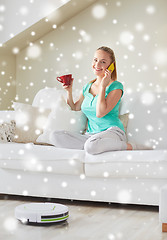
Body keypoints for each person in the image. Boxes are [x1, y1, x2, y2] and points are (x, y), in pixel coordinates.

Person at [50, 46, 133, 154]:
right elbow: (75, 108)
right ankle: (96, 146)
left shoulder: (116, 86)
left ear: (111, 65)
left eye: (103, 62)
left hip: (112, 132)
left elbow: (100, 113)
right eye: (95, 60)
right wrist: (69, 92)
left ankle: (129, 146)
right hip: (91, 136)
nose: (97, 65)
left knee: (91, 145)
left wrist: (103, 87)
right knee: (54, 136)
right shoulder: (87, 87)